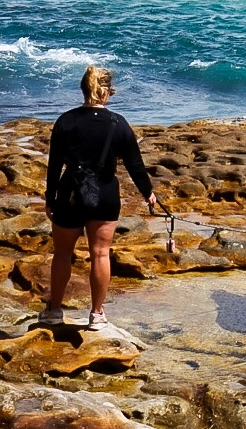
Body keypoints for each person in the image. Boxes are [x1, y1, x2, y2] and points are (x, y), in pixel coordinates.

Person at [41, 65, 158, 331]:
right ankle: (97, 315)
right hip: (104, 195)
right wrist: (147, 192)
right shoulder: (118, 124)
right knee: (100, 254)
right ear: (107, 92)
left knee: (62, 255)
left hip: (69, 194)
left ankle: (54, 311)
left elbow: (54, 164)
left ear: (84, 90)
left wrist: (50, 198)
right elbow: (135, 164)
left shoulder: (66, 121)